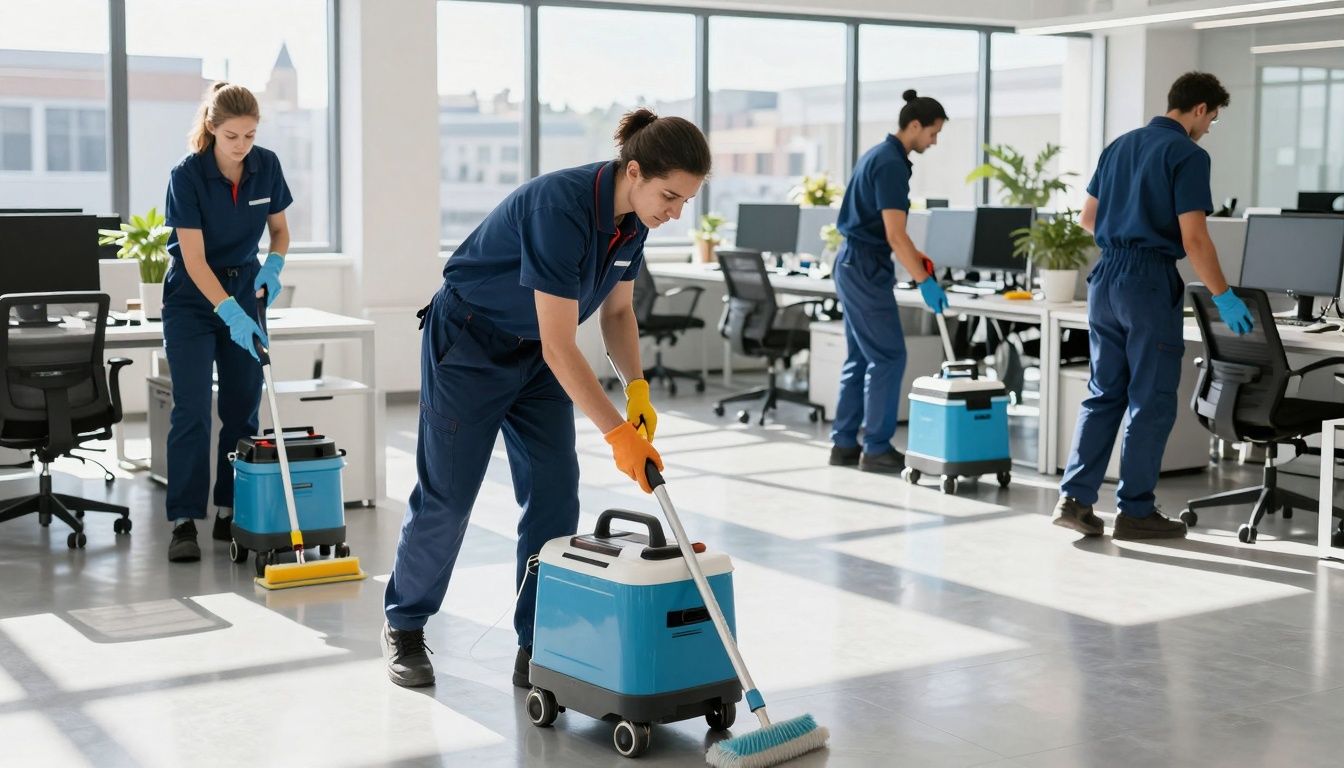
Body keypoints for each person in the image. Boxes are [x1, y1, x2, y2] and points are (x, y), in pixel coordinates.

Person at [381, 109, 710, 688]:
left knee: (556, 494)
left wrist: (636, 387)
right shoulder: (559, 208)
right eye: (670, 195)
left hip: (533, 357)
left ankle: (537, 641)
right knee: (449, 499)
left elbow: (616, 310)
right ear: (634, 171)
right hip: (470, 346)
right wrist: (618, 435)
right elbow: (563, 345)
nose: (676, 212)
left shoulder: (633, 222)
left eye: (686, 201)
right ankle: (405, 624)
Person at [1053, 71, 1252, 540]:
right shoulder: (1188, 154)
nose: (1209, 129)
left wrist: (1124, 232)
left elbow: (1088, 219)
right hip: (1147, 281)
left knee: (1104, 392)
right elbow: (1195, 238)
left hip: (1105, 278)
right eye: (1213, 119)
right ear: (1200, 109)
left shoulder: (1119, 145)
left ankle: (1076, 499)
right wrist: (1223, 294)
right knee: (1151, 398)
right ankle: (1135, 510)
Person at [161, 82, 292, 563]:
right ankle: (183, 520)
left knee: (243, 411)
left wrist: (274, 266)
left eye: (251, 135)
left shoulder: (267, 166)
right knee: (192, 410)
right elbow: (193, 261)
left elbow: (279, 231)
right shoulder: (187, 176)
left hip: (245, 288)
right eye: (233, 135)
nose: (242, 145)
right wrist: (229, 311)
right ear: (212, 129)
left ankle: (228, 511)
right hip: (192, 299)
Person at [829, 89, 950, 473]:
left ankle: (845, 443)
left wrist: (918, 264)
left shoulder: (878, 155)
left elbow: (894, 234)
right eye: (933, 133)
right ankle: (877, 447)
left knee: (861, 357)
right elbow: (895, 234)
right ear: (914, 126)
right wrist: (924, 282)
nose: (934, 142)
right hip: (865, 266)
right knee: (889, 356)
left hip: (852, 261)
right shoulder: (892, 164)